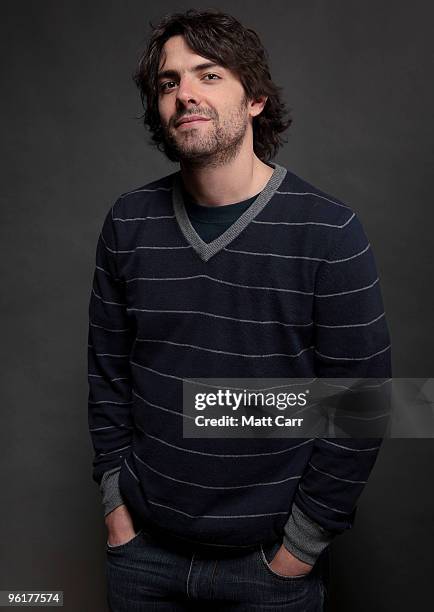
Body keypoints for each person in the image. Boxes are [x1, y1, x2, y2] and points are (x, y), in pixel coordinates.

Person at [87, 9, 391, 611]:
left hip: (268, 571)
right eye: (169, 82)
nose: (185, 95)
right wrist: (116, 510)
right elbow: (107, 376)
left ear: (254, 99)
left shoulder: (328, 230)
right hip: (141, 558)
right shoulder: (129, 222)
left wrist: (298, 551)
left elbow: (360, 404)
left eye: (208, 75)